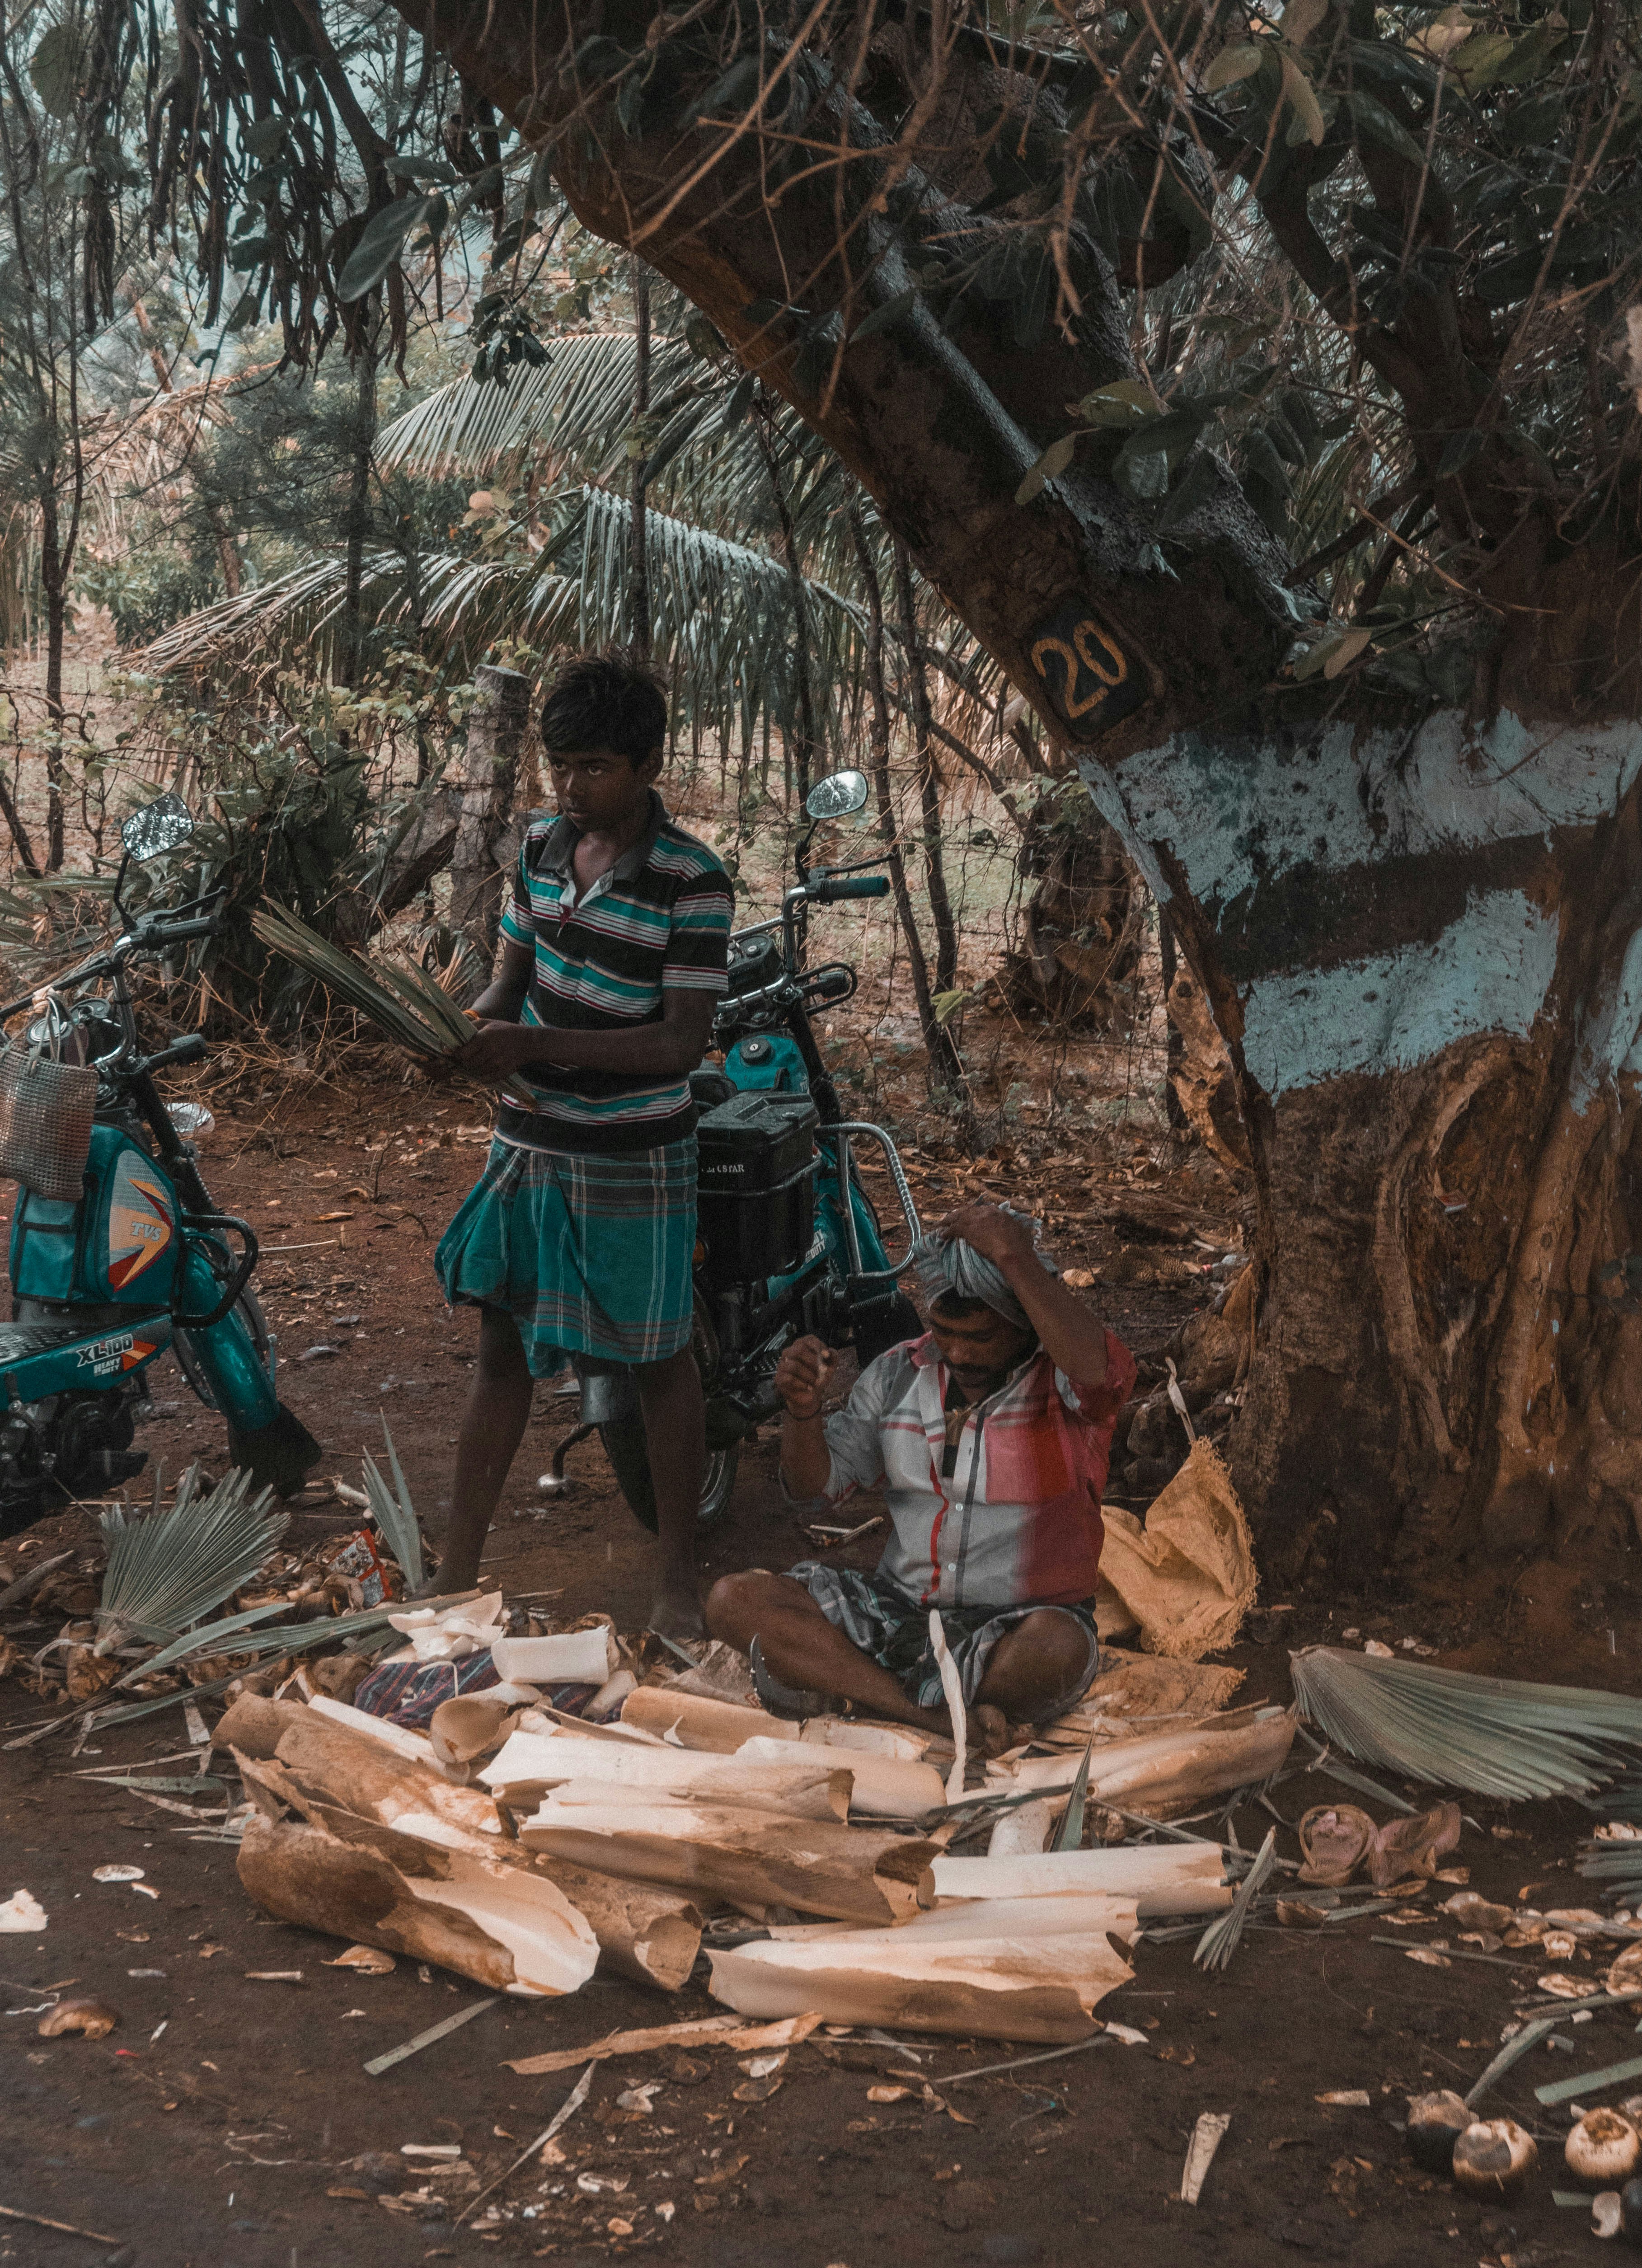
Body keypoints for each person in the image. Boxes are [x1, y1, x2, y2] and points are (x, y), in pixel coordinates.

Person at [433, 653, 733, 1634]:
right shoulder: (537, 846)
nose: (571, 787)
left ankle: (676, 1578)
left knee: (658, 1359)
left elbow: (679, 1044)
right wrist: (463, 1035)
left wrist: (533, 1044)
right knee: (501, 1351)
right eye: (559, 765)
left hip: (634, 1151)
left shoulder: (691, 879)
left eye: (596, 766)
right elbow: (506, 981)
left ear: (648, 764)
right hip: (530, 1140)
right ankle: (454, 1574)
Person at [705, 1203, 1137, 1750]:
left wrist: (1014, 1255)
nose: (956, 1352)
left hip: (1020, 1623)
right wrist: (802, 1411)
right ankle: (928, 1715)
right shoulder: (898, 1374)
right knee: (733, 1600)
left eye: (979, 1338)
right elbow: (815, 1495)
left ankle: (861, 1691)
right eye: (943, 1330)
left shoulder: (1069, 1388)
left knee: (1057, 1651)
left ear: (1024, 1321)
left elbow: (1102, 1372)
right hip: (899, 1611)